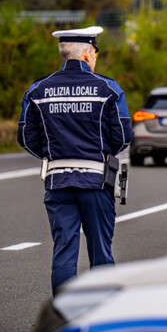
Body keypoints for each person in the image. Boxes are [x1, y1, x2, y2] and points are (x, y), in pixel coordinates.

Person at [18, 26, 133, 295]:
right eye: (95, 53)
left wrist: (52, 154)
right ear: (86, 54)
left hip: (57, 182)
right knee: (101, 252)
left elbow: (26, 137)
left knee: (64, 252)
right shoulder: (108, 89)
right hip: (95, 181)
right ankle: (101, 311)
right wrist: (101, 154)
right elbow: (123, 137)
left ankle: (62, 316)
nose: (95, 59)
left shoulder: (37, 90)